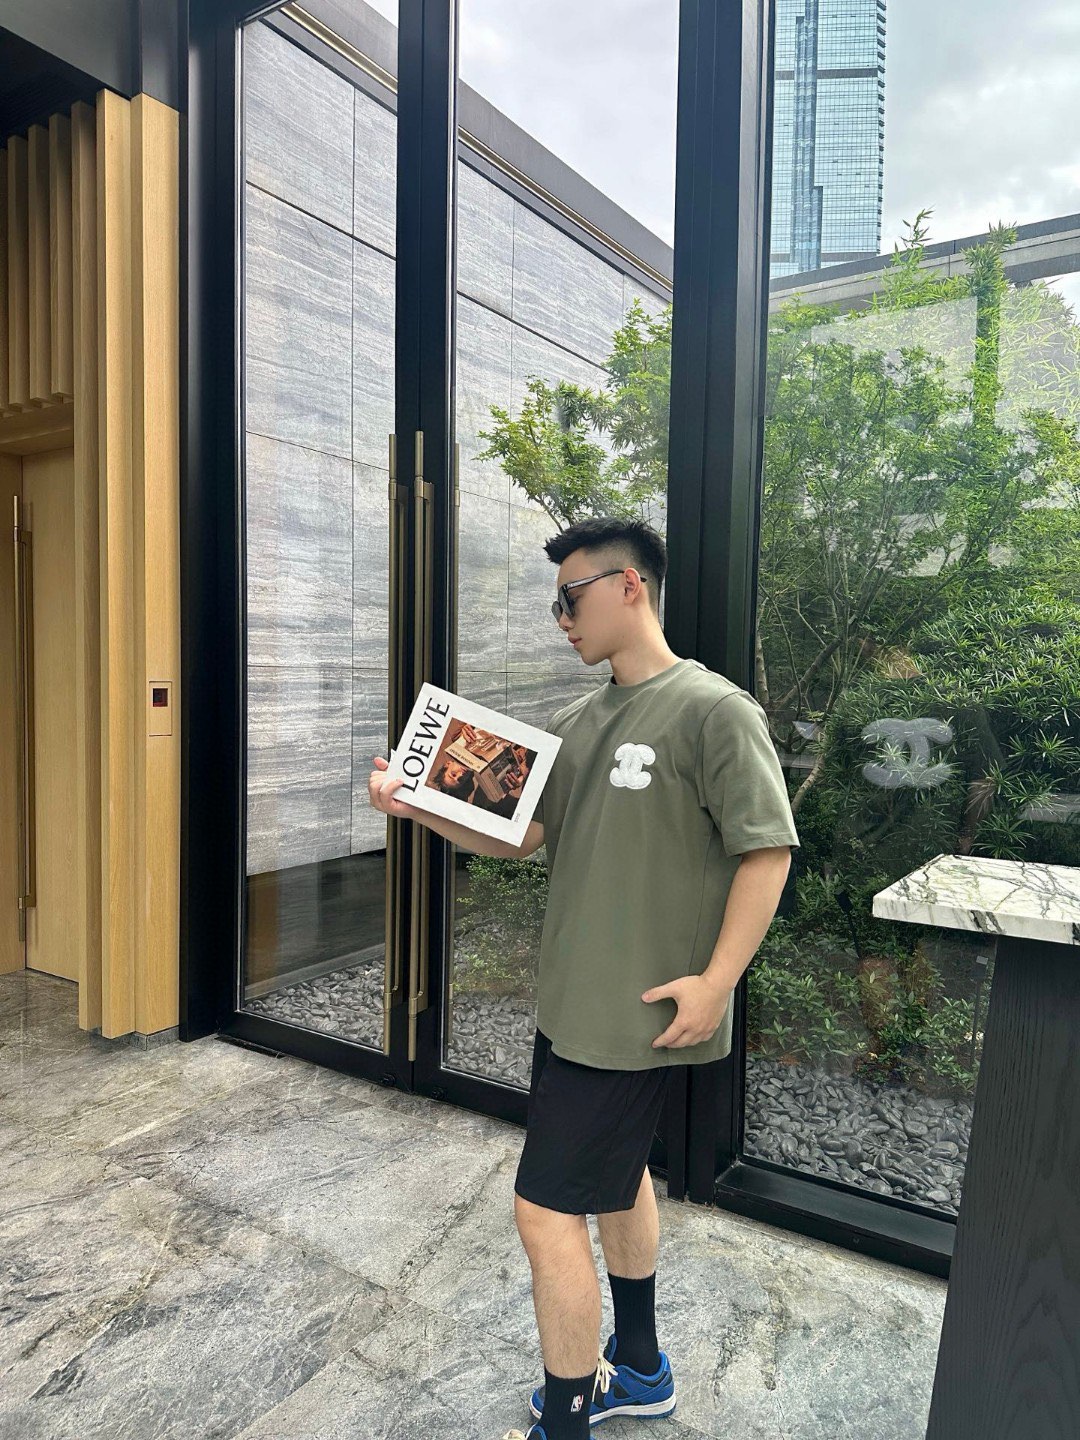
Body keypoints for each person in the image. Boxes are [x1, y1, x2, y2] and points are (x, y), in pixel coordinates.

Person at [368, 516, 799, 1440]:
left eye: (570, 598)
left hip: (634, 1017)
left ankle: (565, 1421)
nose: (561, 619)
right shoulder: (575, 723)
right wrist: (415, 806)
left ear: (629, 585)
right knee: (615, 1180)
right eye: (555, 603)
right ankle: (640, 1368)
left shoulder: (715, 710)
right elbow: (518, 836)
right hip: (573, 1006)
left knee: (542, 1212)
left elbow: (767, 852)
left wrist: (717, 981)